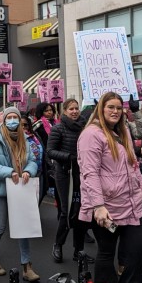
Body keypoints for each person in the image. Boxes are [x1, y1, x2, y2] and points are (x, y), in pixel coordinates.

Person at [78, 92, 142, 283]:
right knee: (106, 253)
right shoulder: (91, 135)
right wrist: (98, 206)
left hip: (130, 206)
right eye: (110, 107)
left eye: (119, 108)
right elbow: (89, 173)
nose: (115, 111)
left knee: (136, 252)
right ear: (101, 109)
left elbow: (133, 165)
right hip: (107, 210)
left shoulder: (122, 132)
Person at [0, 106, 39, 281]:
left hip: (20, 188)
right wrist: (9, 172)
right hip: (1, 189)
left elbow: (32, 160)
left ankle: (27, 266)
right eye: (10, 117)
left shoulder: (25, 141)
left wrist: (28, 170)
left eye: (16, 117)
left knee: (23, 227)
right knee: (0, 226)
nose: (13, 120)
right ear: (4, 120)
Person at [47, 98, 91, 264]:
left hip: (82, 175)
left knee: (81, 211)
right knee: (66, 211)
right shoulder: (58, 128)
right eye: (71, 109)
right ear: (64, 111)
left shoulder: (85, 128)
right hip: (65, 174)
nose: (74, 111)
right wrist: (68, 158)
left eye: (76, 108)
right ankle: (58, 245)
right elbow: (50, 151)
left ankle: (78, 250)